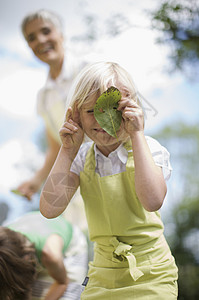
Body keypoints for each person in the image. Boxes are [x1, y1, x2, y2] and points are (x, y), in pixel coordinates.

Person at [39, 61, 178, 299]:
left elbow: (153, 201)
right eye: (91, 111)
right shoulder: (81, 158)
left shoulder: (148, 149)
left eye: (112, 109)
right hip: (102, 275)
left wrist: (137, 134)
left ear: (130, 107)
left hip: (151, 273)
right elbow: (50, 209)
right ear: (77, 115)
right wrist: (67, 150)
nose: (101, 120)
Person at [17, 9, 85, 201]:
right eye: (31, 38)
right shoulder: (43, 98)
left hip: (112, 175)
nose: (39, 40)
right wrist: (36, 181)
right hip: (74, 188)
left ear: (61, 35)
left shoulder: (90, 70)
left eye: (46, 31)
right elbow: (56, 147)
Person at [0, 211, 88, 300]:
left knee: (69, 297)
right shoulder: (5, 238)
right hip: (31, 223)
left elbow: (62, 283)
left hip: (70, 246)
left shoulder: (50, 255)